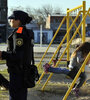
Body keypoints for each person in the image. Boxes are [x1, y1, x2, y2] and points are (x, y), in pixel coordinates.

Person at [0, 10, 33, 100]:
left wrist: (2, 54)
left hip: (17, 72)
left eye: (12, 19)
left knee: (15, 96)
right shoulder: (26, 32)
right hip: (24, 71)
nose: (10, 21)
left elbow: (17, 55)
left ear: (18, 20)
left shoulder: (19, 34)